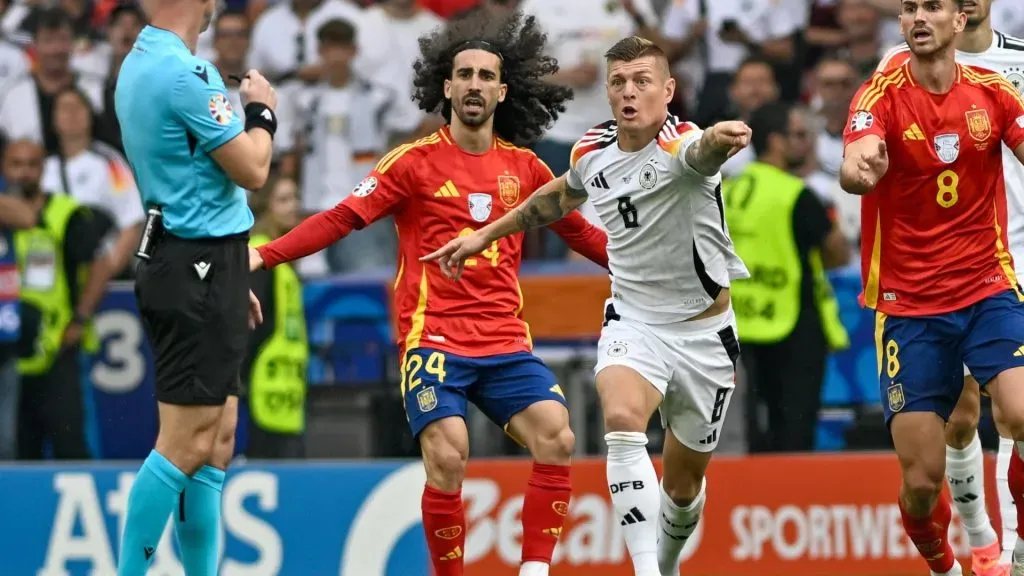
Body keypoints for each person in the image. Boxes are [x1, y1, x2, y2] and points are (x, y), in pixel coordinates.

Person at [250, 9, 609, 576]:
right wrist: (263, 253)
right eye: (463, 75)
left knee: (558, 437)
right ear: (446, 87)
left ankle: (536, 570)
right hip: (434, 338)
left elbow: (583, 235)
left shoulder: (528, 169)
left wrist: (653, 272)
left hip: (504, 342)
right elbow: (343, 217)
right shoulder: (413, 164)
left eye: (485, 76)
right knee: (448, 452)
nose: (474, 85)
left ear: (502, 90)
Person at [425, 36, 751, 576]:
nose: (629, 93)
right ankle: (647, 570)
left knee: (684, 485)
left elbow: (702, 152)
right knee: (621, 420)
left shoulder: (682, 145)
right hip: (634, 318)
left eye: (643, 81)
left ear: (668, 90)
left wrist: (718, 139)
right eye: (619, 82)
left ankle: (665, 564)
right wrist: (485, 235)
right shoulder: (591, 150)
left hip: (704, 333)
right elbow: (554, 199)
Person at [840, 0, 1024, 573]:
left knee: (1021, 414)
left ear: (959, 19)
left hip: (987, 284)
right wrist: (859, 166)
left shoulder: (994, 89)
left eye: (932, 7)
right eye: (909, 8)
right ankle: (947, 564)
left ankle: (1016, 552)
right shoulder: (882, 89)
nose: (918, 17)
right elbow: (857, 152)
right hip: (909, 305)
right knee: (921, 480)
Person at [113, 0, 278, 571]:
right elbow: (253, 169)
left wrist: (230, 274)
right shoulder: (187, 73)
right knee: (185, 443)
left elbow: (192, 177)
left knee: (216, 440)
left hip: (203, 260)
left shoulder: (139, 61)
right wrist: (262, 113)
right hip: (196, 263)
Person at [725, 101, 850, 454]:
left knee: (752, 431)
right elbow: (838, 254)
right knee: (795, 431)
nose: (805, 143)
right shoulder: (796, 194)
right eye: (796, 135)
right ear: (776, 142)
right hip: (794, 322)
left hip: (740, 321)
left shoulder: (731, 189)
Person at [6, 139, 107, 460]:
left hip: (57, 345)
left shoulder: (67, 213)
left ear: (43, 168)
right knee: (18, 447)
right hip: (7, 350)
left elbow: (100, 265)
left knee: (70, 443)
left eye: (31, 164)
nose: (23, 173)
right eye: (15, 164)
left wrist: (80, 318)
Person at [244, 175, 307, 458]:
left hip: (284, 389)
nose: (293, 206)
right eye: (283, 199)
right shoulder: (258, 253)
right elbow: (251, 323)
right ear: (266, 205)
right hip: (262, 384)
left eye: (295, 197)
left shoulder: (286, 257)